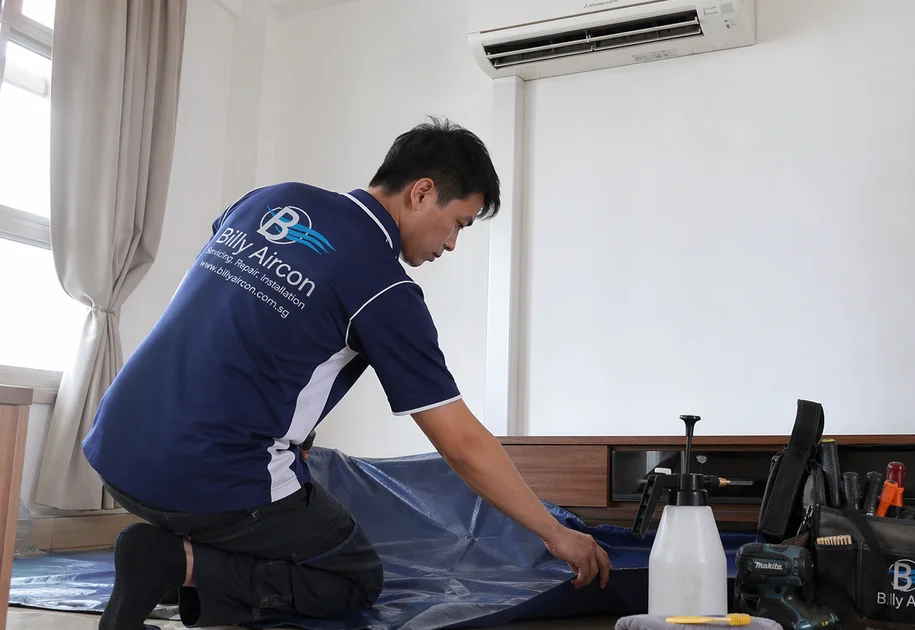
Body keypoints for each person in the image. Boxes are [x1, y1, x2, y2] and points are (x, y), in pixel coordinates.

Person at [81, 118, 612, 630]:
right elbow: (463, 444)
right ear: (422, 192)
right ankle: (171, 563)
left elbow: (245, 322)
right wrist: (554, 533)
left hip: (114, 448)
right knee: (351, 575)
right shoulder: (386, 288)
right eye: (459, 223)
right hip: (206, 476)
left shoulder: (271, 199)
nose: (451, 243)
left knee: (293, 482)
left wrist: (301, 433)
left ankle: (176, 554)